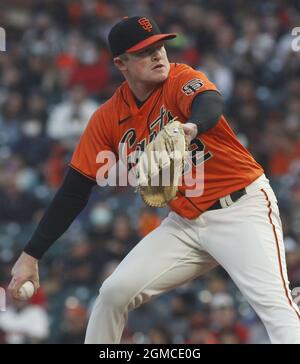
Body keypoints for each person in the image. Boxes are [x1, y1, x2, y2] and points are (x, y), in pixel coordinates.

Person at [8, 16, 300, 344]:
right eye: (145, 51)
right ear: (121, 63)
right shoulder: (107, 119)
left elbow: (210, 102)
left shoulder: (180, 78)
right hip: (185, 224)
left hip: (241, 209)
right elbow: (75, 190)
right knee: (113, 294)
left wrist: (193, 126)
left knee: (276, 308)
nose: (158, 55)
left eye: (159, 46)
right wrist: (31, 254)